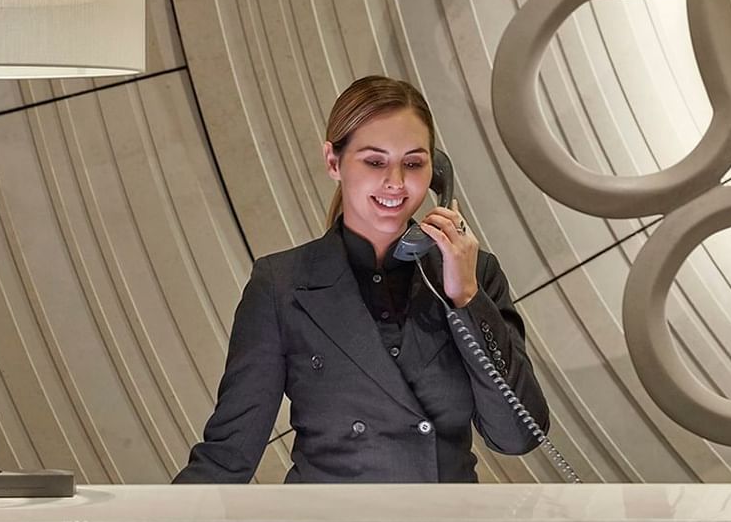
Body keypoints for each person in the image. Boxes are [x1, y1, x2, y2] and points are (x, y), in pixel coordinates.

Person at [174, 75, 550, 483]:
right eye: (374, 161)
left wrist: (468, 299)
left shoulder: (474, 275)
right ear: (334, 162)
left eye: (413, 162)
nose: (396, 182)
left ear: (436, 170)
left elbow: (517, 437)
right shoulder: (281, 284)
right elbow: (229, 454)